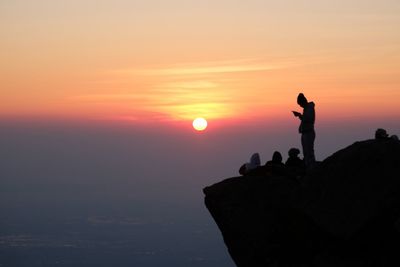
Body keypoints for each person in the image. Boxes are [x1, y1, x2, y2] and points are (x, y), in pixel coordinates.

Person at [292, 93, 316, 170]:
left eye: (300, 104)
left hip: (308, 133)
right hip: (305, 133)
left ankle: (311, 168)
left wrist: (300, 115)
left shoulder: (309, 108)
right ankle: (308, 167)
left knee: (309, 152)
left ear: (303, 101)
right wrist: (300, 115)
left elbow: (309, 119)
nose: (300, 106)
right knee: (306, 152)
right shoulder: (306, 109)